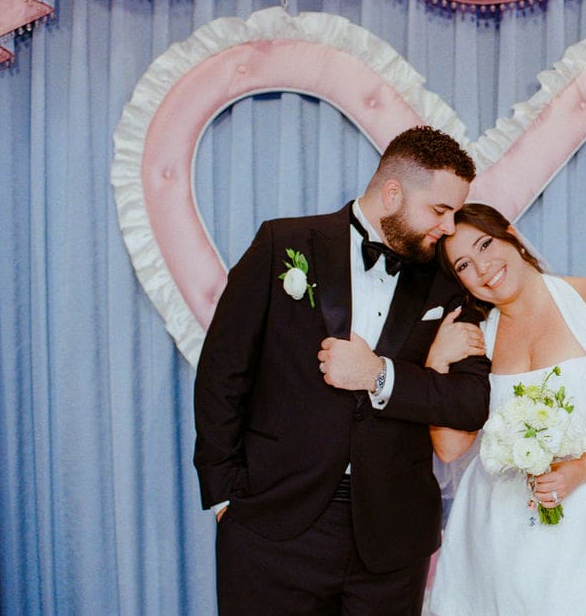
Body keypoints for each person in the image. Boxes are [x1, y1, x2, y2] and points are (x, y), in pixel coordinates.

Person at [193, 126, 492, 615]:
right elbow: (223, 373)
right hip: (273, 524)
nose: (449, 226)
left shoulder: (448, 280)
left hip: (392, 539)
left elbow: (469, 403)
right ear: (392, 193)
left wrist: (382, 376)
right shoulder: (282, 242)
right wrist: (223, 495)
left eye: (456, 212)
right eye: (440, 210)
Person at [424, 203, 586, 614]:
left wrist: (579, 470)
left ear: (510, 234)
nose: (484, 267)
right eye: (464, 265)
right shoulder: (480, 337)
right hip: (501, 530)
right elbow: (450, 448)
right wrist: (435, 365)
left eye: (486, 244)